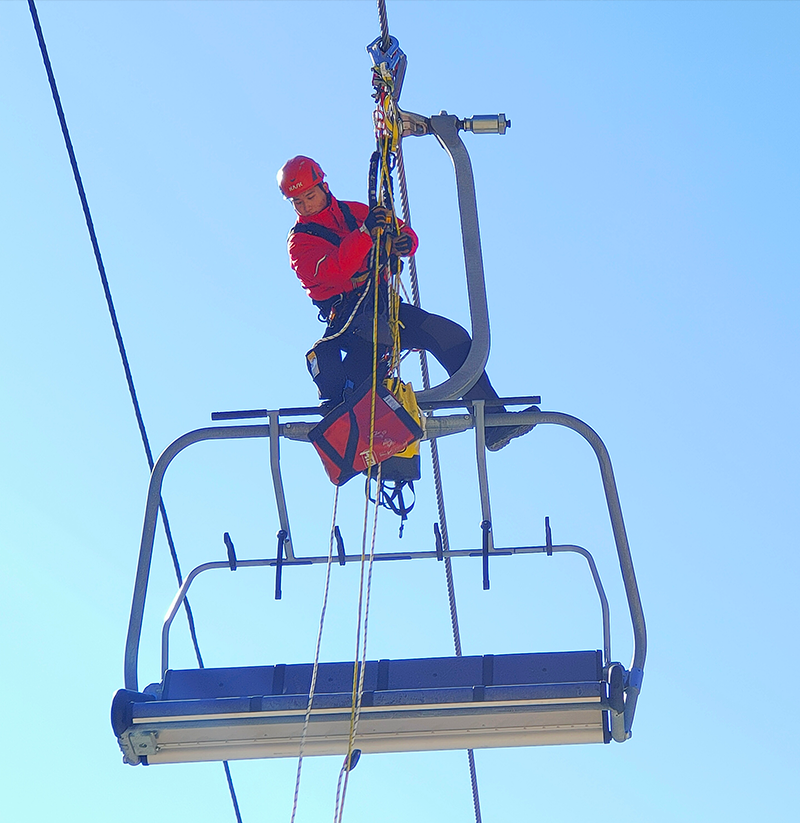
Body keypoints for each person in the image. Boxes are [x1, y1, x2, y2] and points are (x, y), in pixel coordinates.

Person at [278, 155, 533, 451]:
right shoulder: (300, 243)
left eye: (309, 196)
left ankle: (493, 423)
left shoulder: (355, 213)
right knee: (361, 390)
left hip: (385, 308)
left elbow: (400, 230)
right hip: (351, 322)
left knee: (449, 337)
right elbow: (337, 269)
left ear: (324, 187)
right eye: (298, 202)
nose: (306, 206)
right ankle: (354, 438)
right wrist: (365, 235)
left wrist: (405, 242)